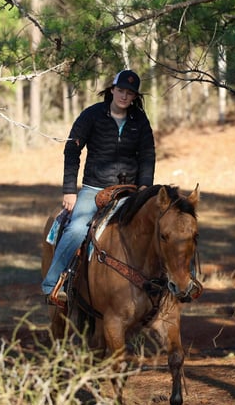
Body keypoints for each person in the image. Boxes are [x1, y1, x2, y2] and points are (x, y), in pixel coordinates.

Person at [42, 69, 156, 302]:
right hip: (95, 189)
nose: (124, 96)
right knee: (76, 229)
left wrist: (145, 187)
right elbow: (72, 150)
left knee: (163, 227)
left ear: (135, 96)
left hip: (130, 191)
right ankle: (52, 284)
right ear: (112, 90)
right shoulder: (92, 115)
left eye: (130, 93)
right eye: (121, 90)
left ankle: (168, 286)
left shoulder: (140, 120)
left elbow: (147, 155)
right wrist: (69, 191)